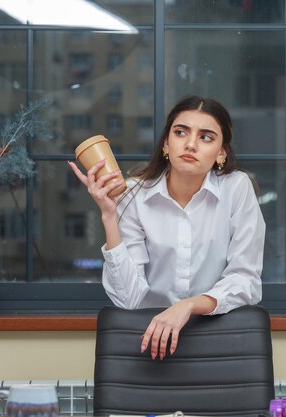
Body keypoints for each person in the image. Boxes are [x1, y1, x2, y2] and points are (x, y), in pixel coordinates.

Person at [68, 96, 265, 361]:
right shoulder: (134, 194)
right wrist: (109, 216)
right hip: (148, 342)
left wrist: (188, 306)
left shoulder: (237, 188)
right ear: (166, 144)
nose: (191, 144)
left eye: (206, 137)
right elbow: (129, 300)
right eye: (181, 132)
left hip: (219, 338)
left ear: (221, 153)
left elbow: (246, 280)